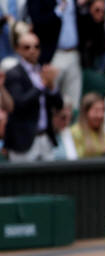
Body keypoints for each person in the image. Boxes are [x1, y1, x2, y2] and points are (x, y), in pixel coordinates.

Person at [25, 0, 88, 113]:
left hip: (74, 55)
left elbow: (85, 22)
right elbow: (37, 21)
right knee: (51, 106)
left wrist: (83, 6)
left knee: (72, 107)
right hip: (52, 56)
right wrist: (58, 11)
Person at [4, 28, 59, 160]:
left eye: (36, 46)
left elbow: (59, 105)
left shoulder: (44, 71)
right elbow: (19, 104)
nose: (32, 50)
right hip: (23, 141)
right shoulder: (13, 73)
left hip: (45, 138)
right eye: (27, 47)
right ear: (17, 49)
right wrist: (43, 85)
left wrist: (52, 86)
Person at [68, 90, 105, 157]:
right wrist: (103, 148)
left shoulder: (99, 132)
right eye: (96, 111)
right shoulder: (74, 132)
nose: (100, 115)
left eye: (102, 110)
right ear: (85, 112)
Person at [77, 0, 105, 69]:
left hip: (96, 66)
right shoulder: (82, 25)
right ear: (90, 9)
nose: (100, 14)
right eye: (97, 10)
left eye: (103, 11)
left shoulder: (103, 28)